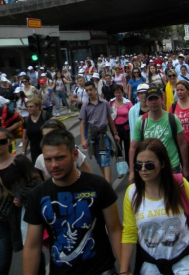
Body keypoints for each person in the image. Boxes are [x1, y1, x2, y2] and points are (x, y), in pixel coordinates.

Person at [23, 129, 123, 275]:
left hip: (102, 270)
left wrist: (125, 268)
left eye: (60, 158)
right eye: (48, 159)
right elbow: (32, 246)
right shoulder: (38, 195)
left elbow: (115, 229)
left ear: (75, 155)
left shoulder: (98, 186)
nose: (54, 165)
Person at [119, 138, 189, 275]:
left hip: (185, 265)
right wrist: (124, 270)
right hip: (150, 268)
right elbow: (130, 232)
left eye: (149, 165)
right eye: (138, 165)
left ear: (162, 164)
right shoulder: (132, 193)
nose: (143, 169)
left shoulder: (179, 185)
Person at [0, 128, 44, 275]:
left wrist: (21, 195)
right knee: (2, 262)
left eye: (2, 141)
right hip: (1, 220)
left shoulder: (19, 161)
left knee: (32, 251)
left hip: (22, 216)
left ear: (9, 142)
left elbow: (37, 182)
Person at [129, 87, 189, 184]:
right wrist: (132, 172)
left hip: (172, 166)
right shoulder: (141, 122)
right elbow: (133, 148)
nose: (153, 102)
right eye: (150, 99)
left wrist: (186, 168)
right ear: (146, 102)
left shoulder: (172, 119)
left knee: (173, 197)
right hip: (150, 168)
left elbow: (182, 144)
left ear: (161, 99)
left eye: (156, 98)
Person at [79, 81, 120, 184]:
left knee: (105, 159)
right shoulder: (85, 105)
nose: (89, 92)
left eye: (90, 90)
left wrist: (115, 133)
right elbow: (82, 123)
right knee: (99, 159)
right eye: (87, 90)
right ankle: (107, 182)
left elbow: (110, 119)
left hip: (104, 133)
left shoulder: (104, 103)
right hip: (93, 135)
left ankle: (107, 185)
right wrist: (83, 139)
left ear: (95, 89)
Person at [22, 98, 53, 165]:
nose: (29, 108)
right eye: (27, 107)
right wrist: (23, 152)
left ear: (38, 106)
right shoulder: (27, 120)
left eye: (31, 106)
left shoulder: (47, 116)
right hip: (35, 152)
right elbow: (25, 138)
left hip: (48, 150)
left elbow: (57, 130)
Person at [111, 84, 133, 164]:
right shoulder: (111, 103)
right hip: (116, 129)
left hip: (127, 129)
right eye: (116, 92)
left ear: (122, 93)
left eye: (119, 92)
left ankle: (129, 165)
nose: (118, 94)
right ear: (114, 93)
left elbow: (133, 115)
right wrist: (114, 132)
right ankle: (120, 168)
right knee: (118, 149)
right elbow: (109, 118)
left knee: (128, 148)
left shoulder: (128, 103)